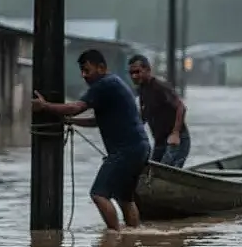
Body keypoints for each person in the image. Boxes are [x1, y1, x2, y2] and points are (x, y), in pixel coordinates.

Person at [32, 49, 152, 231]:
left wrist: (45, 106)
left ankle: (116, 236)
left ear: (101, 68)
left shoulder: (103, 85)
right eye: (82, 71)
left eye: (87, 70)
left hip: (126, 150)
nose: (84, 75)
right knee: (125, 198)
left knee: (98, 194)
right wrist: (71, 121)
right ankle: (133, 236)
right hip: (140, 147)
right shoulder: (113, 83)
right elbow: (97, 120)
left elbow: (75, 107)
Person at [127, 55, 191, 168]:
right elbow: (143, 116)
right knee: (151, 170)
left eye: (137, 72)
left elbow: (181, 107)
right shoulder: (142, 89)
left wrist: (175, 133)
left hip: (176, 140)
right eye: (131, 73)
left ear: (148, 70)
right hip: (160, 141)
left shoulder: (160, 86)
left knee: (164, 171)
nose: (134, 76)